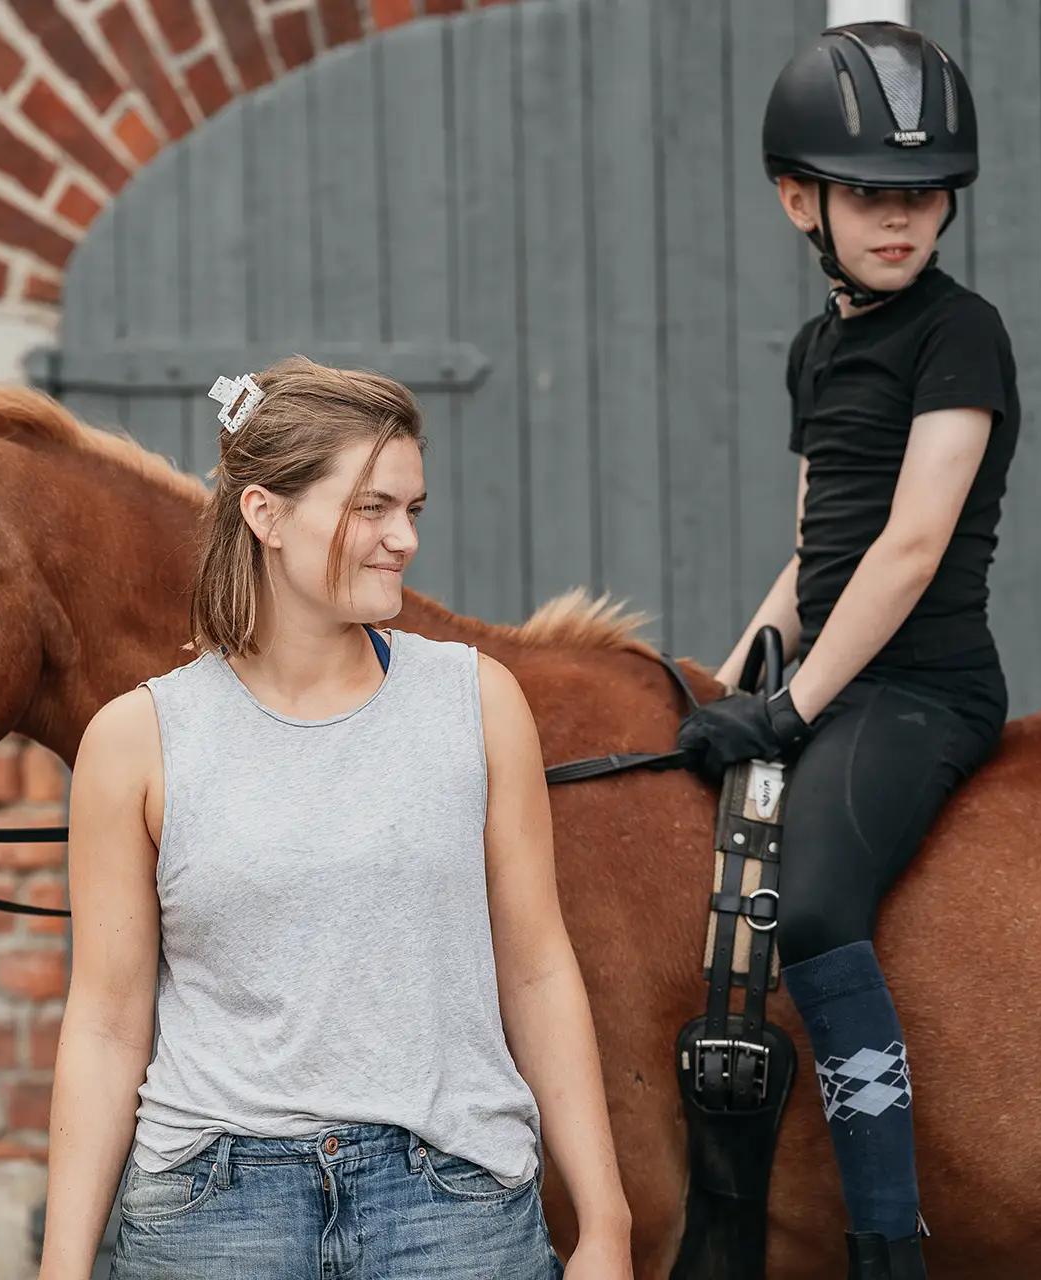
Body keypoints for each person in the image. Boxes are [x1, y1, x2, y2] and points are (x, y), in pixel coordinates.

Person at [37, 357, 634, 1280]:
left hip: (453, 1209)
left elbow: (537, 968)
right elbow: (108, 1023)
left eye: (413, 509)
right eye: (371, 508)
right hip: (214, 1215)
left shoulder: (475, 702)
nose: (404, 538)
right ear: (265, 515)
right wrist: (62, 1264)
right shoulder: (137, 740)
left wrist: (605, 1221)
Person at [675, 24, 1020, 1280]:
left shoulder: (960, 333)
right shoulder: (815, 350)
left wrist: (793, 706)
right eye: (871, 193)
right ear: (798, 202)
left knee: (812, 904)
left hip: (921, 688)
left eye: (923, 194)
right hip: (835, 673)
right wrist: (722, 684)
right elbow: (816, 551)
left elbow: (910, 547)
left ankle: (886, 1239)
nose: (900, 218)